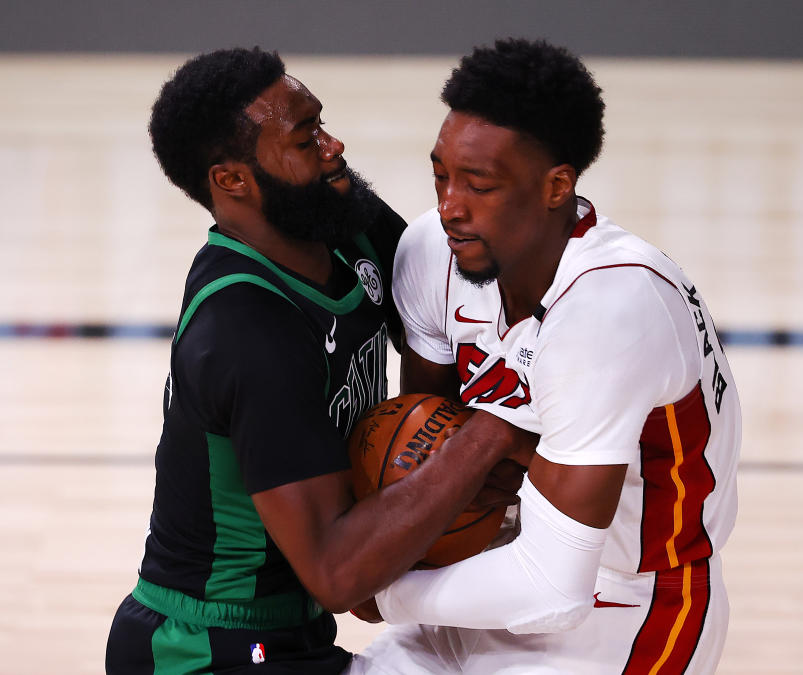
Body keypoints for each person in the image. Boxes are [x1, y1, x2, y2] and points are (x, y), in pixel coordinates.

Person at [105, 47, 531, 674]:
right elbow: (339, 574)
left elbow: (459, 293)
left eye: (321, 123)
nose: (333, 146)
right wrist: (495, 427)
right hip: (205, 651)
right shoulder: (248, 329)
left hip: (292, 631)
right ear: (232, 180)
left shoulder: (342, 224)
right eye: (306, 139)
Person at [350, 38, 742, 673]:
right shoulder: (430, 250)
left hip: (629, 602)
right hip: (484, 564)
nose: (450, 207)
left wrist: (385, 589)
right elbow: (427, 436)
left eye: (479, 185)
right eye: (440, 176)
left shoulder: (611, 306)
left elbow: (557, 591)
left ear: (557, 185)